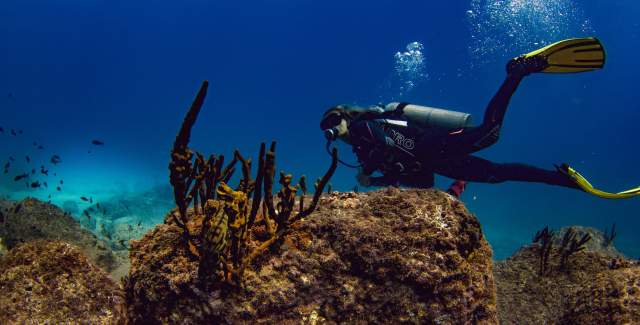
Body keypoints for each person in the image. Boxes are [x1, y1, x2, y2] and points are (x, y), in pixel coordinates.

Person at [320, 38, 639, 199]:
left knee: (490, 133)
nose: (333, 130)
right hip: (437, 162)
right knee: (498, 174)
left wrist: (367, 171)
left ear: (346, 115)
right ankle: (563, 180)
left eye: (334, 120)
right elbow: (404, 175)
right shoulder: (360, 150)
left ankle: (517, 72)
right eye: (327, 128)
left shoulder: (364, 127)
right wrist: (372, 179)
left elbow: (384, 146)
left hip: (434, 145)